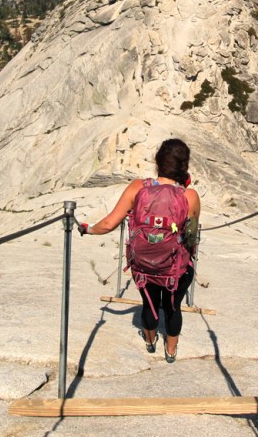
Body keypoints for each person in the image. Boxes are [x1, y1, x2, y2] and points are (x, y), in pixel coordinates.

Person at [78, 138, 201, 363]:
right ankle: (171, 351)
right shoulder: (189, 196)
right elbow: (191, 236)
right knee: (173, 307)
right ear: (185, 166)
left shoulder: (138, 188)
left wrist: (88, 230)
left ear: (157, 162)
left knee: (149, 302)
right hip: (176, 268)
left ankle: (150, 341)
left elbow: (108, 224)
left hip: (144, 264)